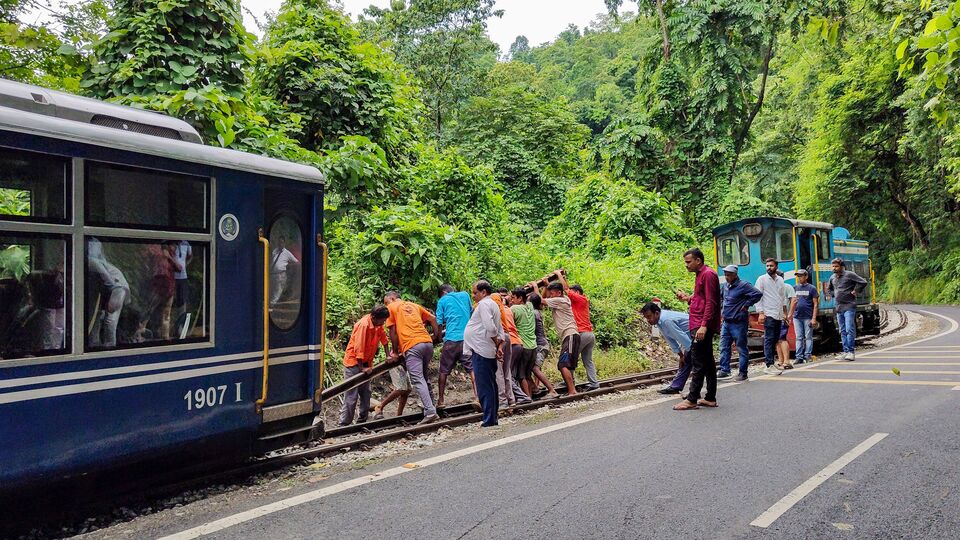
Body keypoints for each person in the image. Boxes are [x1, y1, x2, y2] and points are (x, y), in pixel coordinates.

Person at [672, 248, 721, 410]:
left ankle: (692, 398)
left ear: (698, 260)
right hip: (698, 322)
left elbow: (711, 302)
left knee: (698, 360)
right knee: (707, 362)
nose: (686, 265)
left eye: (688, 262)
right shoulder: (701, 274)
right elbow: (702, 298)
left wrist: (704, 326)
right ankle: (710, 397)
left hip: (701, 324)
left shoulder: (708, 274)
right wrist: (688, 298)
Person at [383, 291, 440, 424]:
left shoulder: (392, 307)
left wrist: (395, 352)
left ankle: (430, 412)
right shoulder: (413, 305)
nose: (386, 306)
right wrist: (436, 336)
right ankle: (431, 407)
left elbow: (393, 332)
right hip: (427, 343)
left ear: (392, 299)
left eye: (386, 302)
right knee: (424, 378)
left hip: (412, 345)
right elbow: (432, 318)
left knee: (418, 379)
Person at [338, 305, 392, 427]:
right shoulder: (364, 325)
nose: (383, 323)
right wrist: (362, 368)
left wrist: (388, 355)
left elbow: (384, 339)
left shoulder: (378, 325)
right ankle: (344, 424)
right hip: (354, 363)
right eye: (382, 320)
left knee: (366, 392)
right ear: (373, 317)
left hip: (366, 363)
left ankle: (362, 420)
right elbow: (359, 347)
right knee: (351, 396)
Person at [463, 280, 505, 427]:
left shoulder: (484, 305)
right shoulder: (493, 304)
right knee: (490, 384)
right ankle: (492, 417)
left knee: (484, 386)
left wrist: (495, 342)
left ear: (483, 292)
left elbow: (491, 328)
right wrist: (499, 345)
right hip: (484, 348)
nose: (473, 296)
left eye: (475, 292)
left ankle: (489, 419)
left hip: (481, 349)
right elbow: (501, 330)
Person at [532, 280, 581, 396]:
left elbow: (540, 300)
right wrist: (546, 286)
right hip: (569, 336)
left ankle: (572, 391)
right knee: (564, 365)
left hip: (570, 335)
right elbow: (540, 304)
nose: (550, 296)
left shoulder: (560, 300)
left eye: (552, 294)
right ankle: (571, 389)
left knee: (563, 364)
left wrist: (535, 287)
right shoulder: (562, 299)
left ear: (559, 293)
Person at [717, 265, 762, 381]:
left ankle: (743, 372)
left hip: (738, 322)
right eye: (726, 275)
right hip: (727, 322)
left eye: (729, 275)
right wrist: (722, 309)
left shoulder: (744, 285)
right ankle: (724, 370)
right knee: (724, 346)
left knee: (741, 348)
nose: (727, 277)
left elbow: (757, 294)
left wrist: (746, 304)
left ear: (735, 274)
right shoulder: (725, 286)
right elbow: (721, 297)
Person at [435, 284, 476, 408]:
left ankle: (441, 401)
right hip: (467, 339)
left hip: (451, 339)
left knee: (443, 371)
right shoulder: (465, 295)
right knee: (472, 369)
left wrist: (439, 338)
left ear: (443, 292)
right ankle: (478, 397)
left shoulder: (442, 300)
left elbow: (439, 323)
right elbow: (471, 312)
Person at [555, 272, 599, 390]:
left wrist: (558, 275)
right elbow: (567, 289)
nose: (570, 294)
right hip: (589, 334)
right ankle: (594, 383)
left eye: (573, 292)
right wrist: (564, 278)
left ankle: (569, 382)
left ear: (578, 292)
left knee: (571, 357)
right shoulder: (580, 302)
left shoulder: (580, 299)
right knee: (587, 360)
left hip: (582, 334)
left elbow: (566, 289)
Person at [87, 238, 131, 348]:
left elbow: (106, 277)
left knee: (110, 319)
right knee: (96, 316)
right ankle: (94, 343)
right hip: (103, 289)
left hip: (116, 287)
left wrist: (112, 288)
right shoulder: (92, 261)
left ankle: (110, 346)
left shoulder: (92, 261)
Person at [640, 302, 692, 395]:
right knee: (686, 362)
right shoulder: (660, 320)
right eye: (646, 317)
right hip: (689, 337)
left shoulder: (666, 320)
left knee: (698, 363)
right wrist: (681, 355)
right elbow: (670, 339)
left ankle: (694, 392)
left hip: (696, 334)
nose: (648, 320)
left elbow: (682, 338)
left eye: (649, 316)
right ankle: (676, 387)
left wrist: (687, 353)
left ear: (656, 313)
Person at [491, 293, 531, 406]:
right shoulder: (507, 310)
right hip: (514, 340)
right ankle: (512, 399)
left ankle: (505, 401)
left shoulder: (493, 310)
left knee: (499, 372)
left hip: (503, 339)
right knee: (507, 372)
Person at [825, 258, 868, 361]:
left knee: (849, 329)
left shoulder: (849, 275)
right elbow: (829, 288)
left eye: (836, 266)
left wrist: (856, 290)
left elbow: (863, 282)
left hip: (849, 306)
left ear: (842, 266)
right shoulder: (832, 277)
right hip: (838, 307)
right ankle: (845, 351)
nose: (834, 268)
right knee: (842, 330)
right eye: (833, 266)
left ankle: (851, 352)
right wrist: (832, 294)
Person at [755, 258, 787, 375]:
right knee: (769, 339)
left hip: (778, 314)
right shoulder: (762, 279)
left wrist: (784, 313)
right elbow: (757, 296)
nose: (769, 267)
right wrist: (761, 313)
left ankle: (772, 363)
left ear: (776, 266)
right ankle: (768, 365)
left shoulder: (780, 280)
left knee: (774, 339)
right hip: (768, 314)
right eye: (767, 266)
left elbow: (782, 297)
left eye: (771, 266)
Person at [528, 293, 559, 398]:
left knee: (534, 368)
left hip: (541, 346)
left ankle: (552, 390)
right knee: (532, 367)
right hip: (541, 345)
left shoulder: (533, 313)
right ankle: (535, 388)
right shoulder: (537, 312)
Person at [509, 288, 539, 399]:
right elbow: (534, 294)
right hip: (533, 346)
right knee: (527, 374)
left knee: (521, 376)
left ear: (520, 298)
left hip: (524, 345)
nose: (511, 300)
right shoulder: (530, 306)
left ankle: (527, 398)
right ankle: (530, 395)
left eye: (513, 297)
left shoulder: (514, 308)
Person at [792, 269, 819, 364]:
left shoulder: (812, 288)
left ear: (806, 276)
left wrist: (814, 318)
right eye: (798, 276)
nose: (799, 278)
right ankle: (798, 357)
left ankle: (808, 355)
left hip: (808, 316)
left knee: (808, 337)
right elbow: (792, 302)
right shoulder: (795, 288)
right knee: (799, 337)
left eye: (801, 276)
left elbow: (815, 304)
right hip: (797, 316)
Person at [269, 235, 299, 305]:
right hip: (272, 273)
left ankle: (272, 305)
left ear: (284, 243)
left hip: (281, 274)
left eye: (282, 242)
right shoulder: (275, 251)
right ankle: (272, 303)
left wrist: (289, 266)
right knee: (272, 289)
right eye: (279, 242)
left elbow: (296, 262)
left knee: (278, 290)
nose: (280, 244)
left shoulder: (287, 253)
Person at [776, 272, 797, 370]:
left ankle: (786, 361)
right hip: (775, 317)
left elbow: (793, 300)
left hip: (783, 317)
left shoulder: (787, 286)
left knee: (782, 338)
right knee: (777, 340)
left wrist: (789, 315)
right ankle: (780, 361)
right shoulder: (773, 287)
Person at [173, 240, 193, 321]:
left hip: (182, 276)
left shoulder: (186, 243)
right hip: (171, 276)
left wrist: (185, 265)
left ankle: (180, 325)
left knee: (182, 300)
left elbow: (190, 255)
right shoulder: (171, 242)